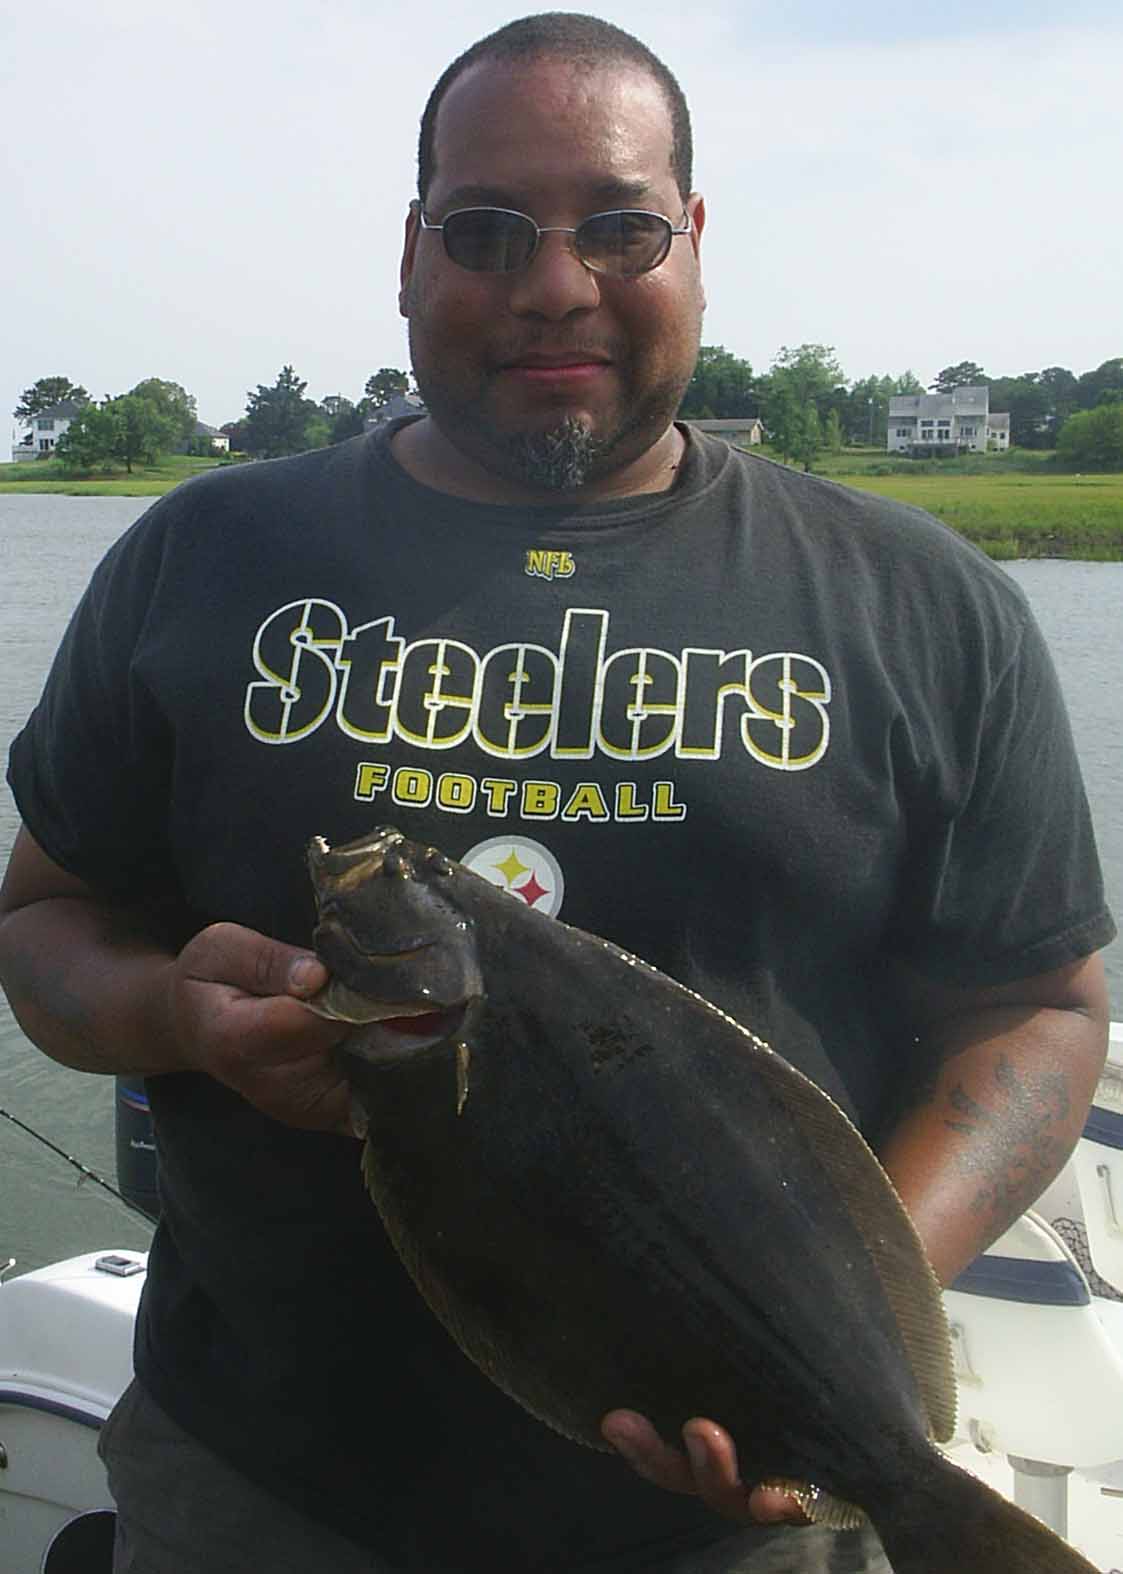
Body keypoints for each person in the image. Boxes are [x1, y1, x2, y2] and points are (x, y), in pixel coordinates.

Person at [0, 13, 1114, 1573]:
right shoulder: (206, 556)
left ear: (695, 241)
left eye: (618, 224)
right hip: (262, 1492)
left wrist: (833, 1318)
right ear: (408, 255)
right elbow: (46, 917)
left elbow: (1046, 1010)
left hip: (738, 1534)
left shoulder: (921, 604)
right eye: (485, 229)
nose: (552, 282)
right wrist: (175, 1016)